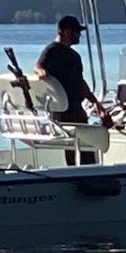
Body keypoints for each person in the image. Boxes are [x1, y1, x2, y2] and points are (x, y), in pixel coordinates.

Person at [35, 15, 111, 166]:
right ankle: (83, 174)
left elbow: (79, 81)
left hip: (76, 110)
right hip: (65, 111)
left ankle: (85, 171)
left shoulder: (74, 56)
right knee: (78, 147)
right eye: (77, 32)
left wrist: (95, 102)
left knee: (84, 149)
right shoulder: (52, 50)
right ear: (68, 32)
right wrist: (41, 72)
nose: (80, 35)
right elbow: (39, 66)